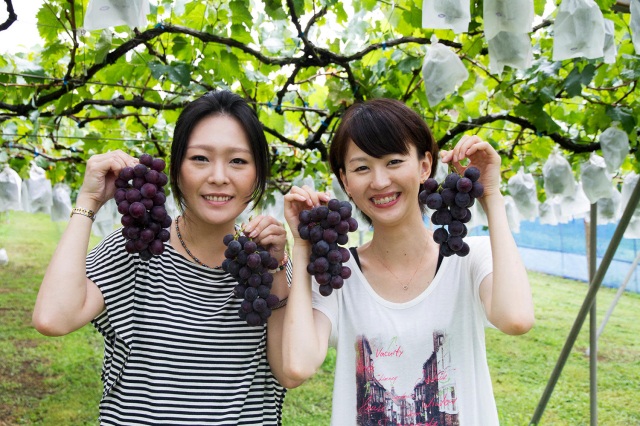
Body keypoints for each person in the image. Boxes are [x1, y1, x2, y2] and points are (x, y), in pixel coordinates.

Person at [33, 90, 293, 425]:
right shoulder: (137, 250)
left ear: (258, 175)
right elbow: (52, 318)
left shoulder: (266, 265)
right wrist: (88, 201)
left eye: (238, 161)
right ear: (176, 170)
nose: (218, 176)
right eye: (200, 158)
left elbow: (289, 372)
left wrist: (277, 270)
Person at [282, 98, 535, 425]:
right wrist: (302, 244)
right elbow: (297, 366)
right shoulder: (338, 276)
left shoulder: (469, 258)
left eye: (394, 161)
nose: (379, 181)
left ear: (425, 165)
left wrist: (492, 195)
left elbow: (516, 319)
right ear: (345, 181)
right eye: (361, 167)